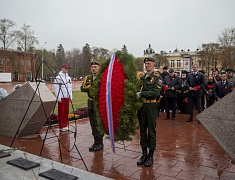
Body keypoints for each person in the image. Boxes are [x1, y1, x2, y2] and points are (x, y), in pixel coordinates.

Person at [137, 57, 162, 167]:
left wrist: (142, 94)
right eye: (145, 64)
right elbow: (138, 89)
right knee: (142, 130)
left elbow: (155, 92)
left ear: (154, 65)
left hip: (151, 106)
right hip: (142, 106)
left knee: (151, 131)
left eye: (148, 63)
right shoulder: (142, 77)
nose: (146, 65)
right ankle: (144, 154)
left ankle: (151, 155)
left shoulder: (157, 78)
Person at [81, 61, 103, 151]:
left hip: (98, 103)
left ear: (99, 68)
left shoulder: (102, 78)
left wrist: (91, 88)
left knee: (98, 124)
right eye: (92, 67)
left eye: (95, 67)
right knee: (92, 123)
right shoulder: (88, 78)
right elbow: (82, 88)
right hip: (90, 103)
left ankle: (100, 143)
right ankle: (95, 142)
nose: (93, 69)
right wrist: (92, 88)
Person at [54, 64, 72, 131]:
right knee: (61, 111)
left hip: (67, 96)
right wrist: (58, 97)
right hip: (61, 97)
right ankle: (61, 125)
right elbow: (56, 88)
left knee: (66, 111)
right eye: (65, 68)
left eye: (67, 69)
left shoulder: (69, 78)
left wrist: (70, 96)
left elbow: (70, 88)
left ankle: (65, 124)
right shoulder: (58, 78)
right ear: (62, 68)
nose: (67, 70)